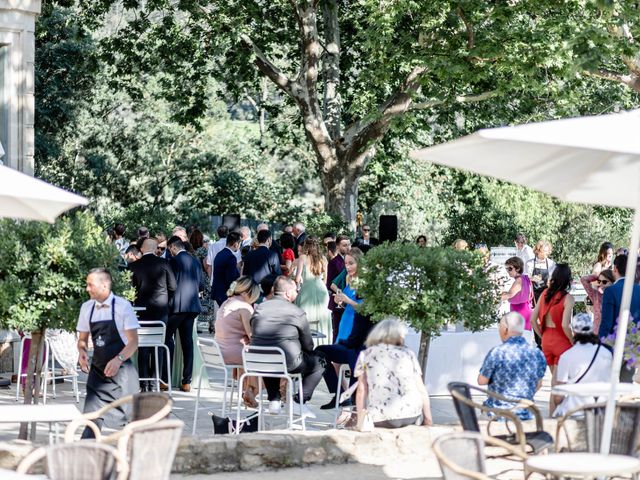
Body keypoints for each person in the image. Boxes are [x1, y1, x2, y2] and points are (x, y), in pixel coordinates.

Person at [250, 276, 326, 417]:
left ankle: (274, 400)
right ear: (287, 293)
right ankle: (299, 401)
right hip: (288, 362)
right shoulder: (296, 311)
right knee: (321, 360)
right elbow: (309, 345)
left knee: (270, 355)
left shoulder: (259, 308)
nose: (297, 293)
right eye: (296, 290)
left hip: (256, 361)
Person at [77, 268, 140, 438]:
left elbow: (134, 342)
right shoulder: (87, 308)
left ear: (104, 285)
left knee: (131, 428)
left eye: (90, 285)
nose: (87, 289)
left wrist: (118, 359)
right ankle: (86, 460)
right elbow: (82, 338)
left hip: (123, 376)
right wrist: (82, 351)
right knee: (90, 423)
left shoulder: (123, 306)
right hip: (98, 375)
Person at [354, 319, 432, 428]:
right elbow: (421, 388)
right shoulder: (408, 353)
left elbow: (361, 390)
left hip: (380, 416)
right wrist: (428, 419)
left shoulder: (365, 355)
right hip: (411, 414)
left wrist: (360, 420)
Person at [478, 312, 546, 420]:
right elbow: (538, 384)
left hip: (497, 413)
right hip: (525, 413)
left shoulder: (497, 352)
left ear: (505, 329)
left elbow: (481, 381)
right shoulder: (537, 354)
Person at [129, 237, 177, 391]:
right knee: (158, 345)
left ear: (142, 249)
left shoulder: (133, 266)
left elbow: (130, 290)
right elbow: (173, 286)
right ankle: (155, 381)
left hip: (141, 311)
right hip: (160, 311)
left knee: (143, 346)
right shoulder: (164, 264)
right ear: (157, 249)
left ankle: (143, 383)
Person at [531, 263, 574, 414]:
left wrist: (543, 335)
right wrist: (572, 341)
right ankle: (554, 418)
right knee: (558, 387)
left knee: (556, 384)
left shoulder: (544, 294)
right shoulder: (568, 298)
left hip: (546, 341)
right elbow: (565, 325)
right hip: (562, 342)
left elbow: (532, 320)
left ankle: (554, 416)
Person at [553, 313, 612, 417]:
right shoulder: (606, 353)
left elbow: (558, 398)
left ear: (573, 331)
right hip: (602, 411)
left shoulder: (566, 356)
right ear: (592, 329)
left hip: (575, 411)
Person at [215, 276, 261, 407]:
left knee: (248, 351)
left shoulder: (226, 303)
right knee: (267, 359)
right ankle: (252, 390)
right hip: (235, 353)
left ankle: (246, 390)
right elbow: (252, 335)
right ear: (248, 293)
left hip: (220, 351)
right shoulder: (244, 307)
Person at [164, 236, 202, 392]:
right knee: (187, 342)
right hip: (193, 305)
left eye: (169, 249)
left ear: (173, 247)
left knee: (167, 338)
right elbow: (200, 285)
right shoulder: (195, 261)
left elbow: (170, 285)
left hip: (177, 306)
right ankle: (186, 381)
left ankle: (165, 379)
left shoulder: (173, 261)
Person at [316, 310, 374, 409]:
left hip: (358, 353)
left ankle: (339, 392)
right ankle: (341, 394)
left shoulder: (363, 311)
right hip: (373, 354)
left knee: (320, 351)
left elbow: (354, 340)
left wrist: (341, 342)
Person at [598, 254, 640, 381]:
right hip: (634, 345)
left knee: (606, 385)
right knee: (625, 384)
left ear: (615, 269)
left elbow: (606, 322)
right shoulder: (638, 290)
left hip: (614, 344)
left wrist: (601, 345)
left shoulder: (610, 291)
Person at [293, 237, 332, 341]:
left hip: (306, 289)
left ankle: (307, 343)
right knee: (321, 317)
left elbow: (297, 278)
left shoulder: (302, 258)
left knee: (306, 317)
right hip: (321, 290)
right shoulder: (323, 258)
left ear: (306, 246)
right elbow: (325, 280)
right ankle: (322, 342)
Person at [333, 248, 364, 342]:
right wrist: (340, 301)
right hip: (345, 321)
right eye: (346, 264)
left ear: (359, 263)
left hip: (356, 324)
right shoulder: (348, 278)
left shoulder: (365, 282)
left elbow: (364, 310)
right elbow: (347, 305)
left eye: (351, 263)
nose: (347, 267)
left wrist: (348, 300)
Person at [327, 235, 350, 342]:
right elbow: (329, 283)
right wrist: (340, 295)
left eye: (349, 245)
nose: (347, 247)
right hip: (338, 302)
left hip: (351, 299)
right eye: (344, 245)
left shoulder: (351, 260)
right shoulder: (334, 262)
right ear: (337, 246)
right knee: (337, 330)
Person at [501, 257, 533, 330]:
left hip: (520, 311)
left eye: (510, 269)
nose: (508, 271)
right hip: (524, 309)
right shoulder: (525, 278)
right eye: (507, 269)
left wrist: (492, 299)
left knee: (518, 337)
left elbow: (510, 295)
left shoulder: (518, 280)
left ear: (518, 268)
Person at [580, 269, 615, 334]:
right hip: (597, 334)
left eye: (604, 282)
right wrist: (597, 276)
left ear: (612, 282)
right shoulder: (595, 295)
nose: (601, 284)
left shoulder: (617, 296)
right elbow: (583, 279)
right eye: (599, 281)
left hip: (611, 335)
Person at [211, 231, 242, 306]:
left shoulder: (219, 254)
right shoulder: (231, 257)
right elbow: (231, 278)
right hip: (225, 293)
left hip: (217, 292)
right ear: (236, 244)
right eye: (239, 244)